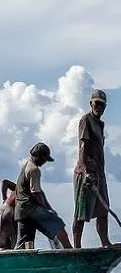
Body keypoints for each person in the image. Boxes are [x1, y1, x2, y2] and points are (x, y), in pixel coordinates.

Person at [14, 143, 72, 250]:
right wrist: (46, 209)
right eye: (44, 159)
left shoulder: (26, 165)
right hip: (30, 208)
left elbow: (39, 191)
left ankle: (17, 262)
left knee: (25, 242)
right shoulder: (34, 170)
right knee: (58, 225)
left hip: (21, 210)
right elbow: (36, 193)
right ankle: (71, 252)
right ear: (39, 156)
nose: (44, 162)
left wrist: (48, 208)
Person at [73, 89, 111, 249]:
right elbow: (83, 145)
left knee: (104, 209)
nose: (99, 107)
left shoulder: (100, 124)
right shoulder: (86, 120)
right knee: (81, 211)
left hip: (99, 173)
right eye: (97, 103)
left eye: (102, 105)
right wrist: (85, 170)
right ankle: (77, 246)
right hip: (86, 173)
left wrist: (97, 173)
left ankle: (105, 242)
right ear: (91, 103)